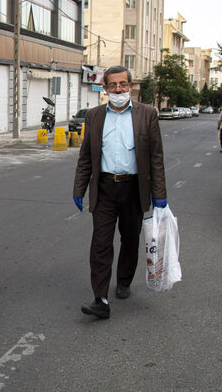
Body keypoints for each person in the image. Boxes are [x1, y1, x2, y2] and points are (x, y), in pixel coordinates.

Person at [73, 65, 167, 319]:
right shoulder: (94, 116)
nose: (118, 89)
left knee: (130, 239)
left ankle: (124, 280)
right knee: (100, 243)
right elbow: (86, 156)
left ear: (130, 86)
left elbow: (156, 157)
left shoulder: (147, 115)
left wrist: (159, 193)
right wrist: (79, 188)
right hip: (103, 188)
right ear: (104, 88)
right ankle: (100, 298)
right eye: (112, 85)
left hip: (133, 188)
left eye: (123, 84)